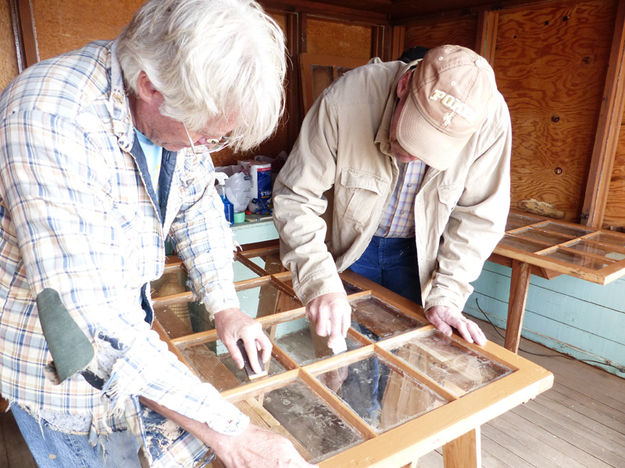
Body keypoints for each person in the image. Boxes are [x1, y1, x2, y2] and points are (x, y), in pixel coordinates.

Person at [0, 0, 314, 467]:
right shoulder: (50, 115)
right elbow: (88, 319)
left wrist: (225, 306)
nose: (206, 147)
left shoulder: (176, 107)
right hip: (54, 374)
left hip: (124, 337)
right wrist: (233, 433)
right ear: (150, 85)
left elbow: (198, 206)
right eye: (206, 136)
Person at [273, 44, 511, 352]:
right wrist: (320, 280)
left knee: (402, 351)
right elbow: (296, 197)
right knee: (343, 350)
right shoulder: (347, 98)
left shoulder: (489, 122)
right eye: (411, 136)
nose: (414, 156)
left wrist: (447, 295)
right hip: (350, 246)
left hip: (418, 252)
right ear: (403, 87)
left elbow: (479, 218)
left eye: (431, 150)